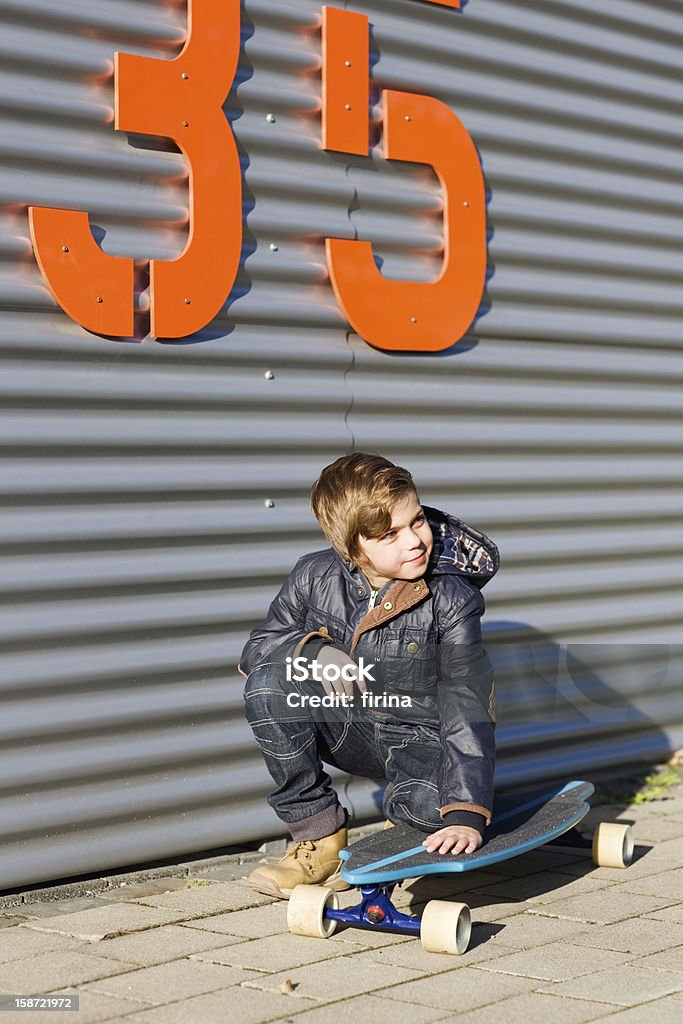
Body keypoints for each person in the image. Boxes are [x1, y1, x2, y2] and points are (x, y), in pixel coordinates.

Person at [240, 452, 499, 899]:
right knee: (266, 686)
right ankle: (318, 836)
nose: (415, 541)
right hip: (353, 729)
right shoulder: (313, 575)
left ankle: (401, 826)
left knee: (431, 813)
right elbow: (257, 648)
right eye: (390, 534)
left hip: (421, 739)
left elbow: (465, 700)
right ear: (351, 545)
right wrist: (314, 650)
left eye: (417, 521)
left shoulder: (452, 597)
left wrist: (465, 813)